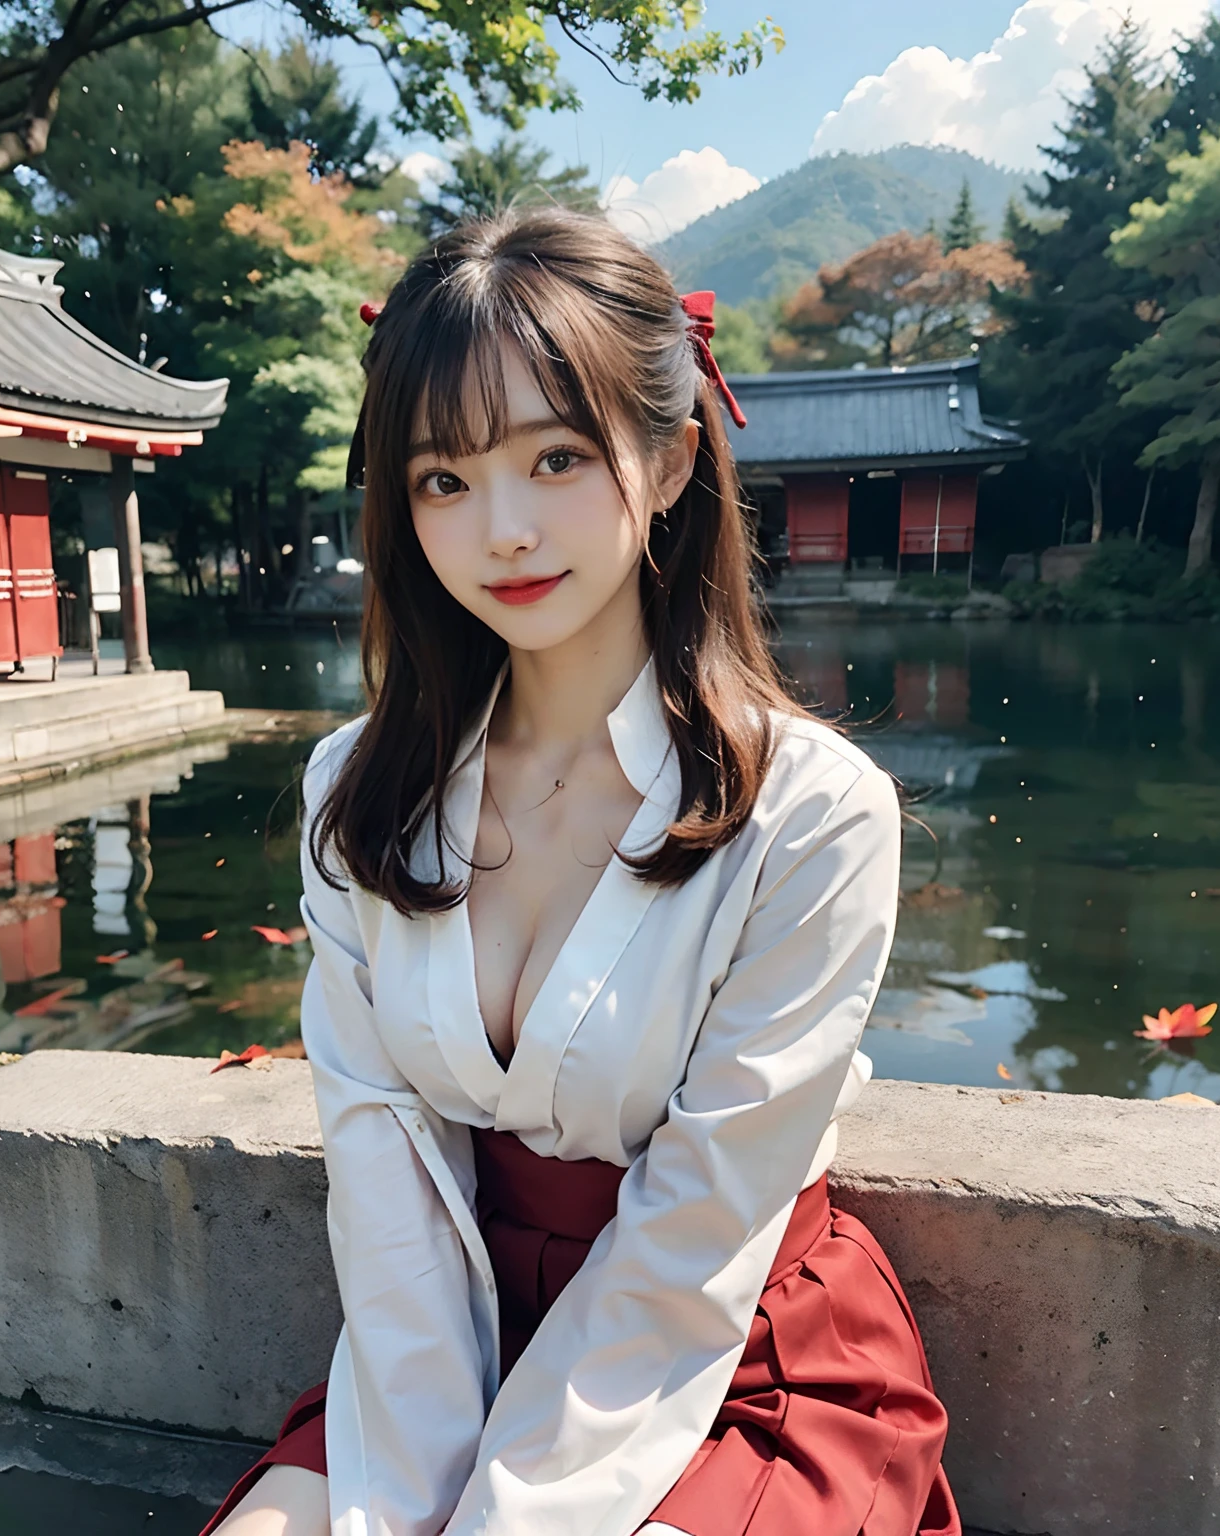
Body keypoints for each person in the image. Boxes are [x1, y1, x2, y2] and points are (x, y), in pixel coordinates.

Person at [205, 208, 960, 1536]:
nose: (502, 529)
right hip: (450, 1328)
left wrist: (509, 1517)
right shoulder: (358, 790)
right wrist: (413, 1494)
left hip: (726, 1350)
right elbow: (382, 1168)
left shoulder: (813, 816)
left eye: (556, 457)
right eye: (443, 479)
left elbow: (698, 1227)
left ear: (669, 464)